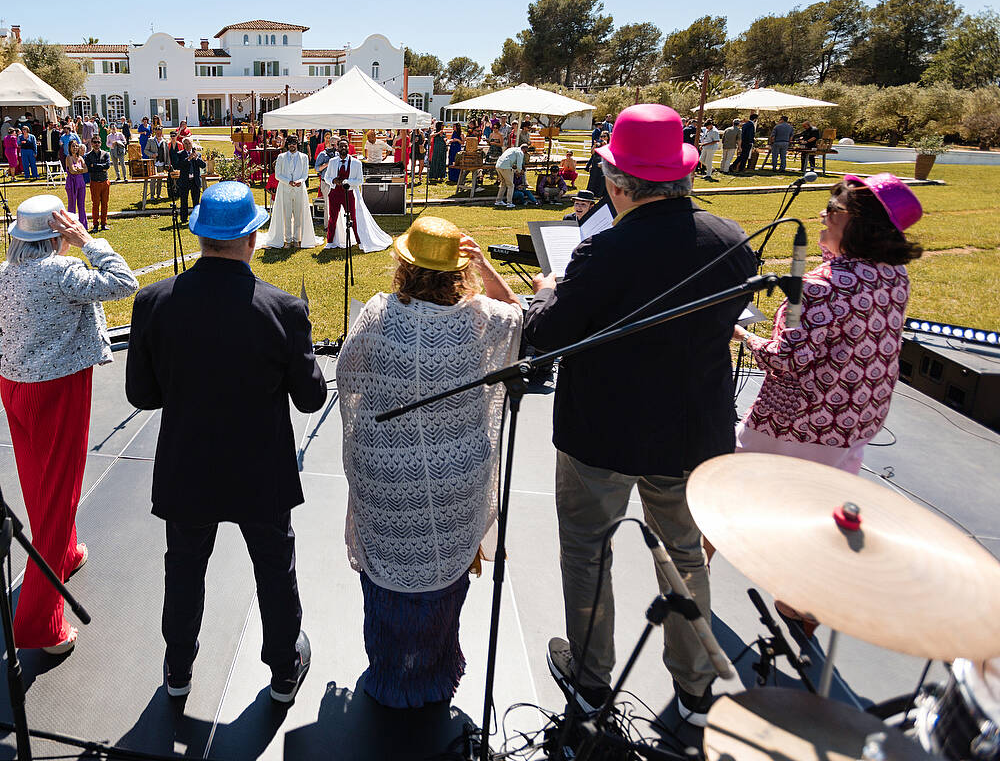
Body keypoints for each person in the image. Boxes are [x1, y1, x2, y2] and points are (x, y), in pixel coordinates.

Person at [524, 105, 755, 729]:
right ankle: (697, 689)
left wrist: (547, 293)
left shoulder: (604, 250)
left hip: (604, 434)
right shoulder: (732, 241)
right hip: (692, 435)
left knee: (588, 550)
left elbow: (548, 334)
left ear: (617, 185)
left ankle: (590, 680)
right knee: (685, 556)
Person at [126, 182, 325, 703]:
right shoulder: (283, 309)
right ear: (252, 238)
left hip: (188, 465)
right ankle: (284, 668)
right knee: (274, 568)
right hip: (260, 470)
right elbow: (310, 399)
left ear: (199, 236)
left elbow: (141, 395)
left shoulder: (153, 302)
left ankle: (178, 669)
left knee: (184, 566)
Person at [338, 217, 522, 707]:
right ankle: (435, 672)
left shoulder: (377, 314)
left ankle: (389, 674)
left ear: (405, 264)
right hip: (455, 475)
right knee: (442, 580)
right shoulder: (483, 319)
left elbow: (348, 378)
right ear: (459, 269)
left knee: (388, 580)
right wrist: (485, 265)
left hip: (386, 473)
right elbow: (517, 312)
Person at [0, 195, 137, 653]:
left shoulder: (7, 271)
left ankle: (67, 552)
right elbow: (124, 282)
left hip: (15, 383)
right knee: (60, 494)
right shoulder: (63, 271)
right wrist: (89, 242)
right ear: (59, 233)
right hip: (58, 389)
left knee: (40, 485)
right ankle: (41, 625)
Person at [735, 174, 923, 473]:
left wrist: (743, 335)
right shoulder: (894, 273)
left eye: (834, 209)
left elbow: (786, 358)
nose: (823, 214)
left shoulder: (819, 286)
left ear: (861, 223)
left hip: (800, 423)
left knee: (743, 485)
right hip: (861, 415)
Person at [264, 137, 317, 248]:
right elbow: (277, 175)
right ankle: (287, 239)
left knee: (298, 215)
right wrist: (288, 182)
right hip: (285, 189)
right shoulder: (281, 157)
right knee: (286, 215)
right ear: (287, 144)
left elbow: (305, 174)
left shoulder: (304, 157)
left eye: (294, 143)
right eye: (290, 143)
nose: (292, 145)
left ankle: (297, 239)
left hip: (299, 189)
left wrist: (300, 181)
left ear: (297, 144)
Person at [170, 137, 206, 221]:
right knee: (184, 201)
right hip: (185, 180)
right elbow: (177, 165)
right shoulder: (180, 154)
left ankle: (196, 218)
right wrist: (188, 159)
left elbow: (203, 165)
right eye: (186, 143)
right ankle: (183, 218)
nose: (188, 145)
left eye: (189, 143)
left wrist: (196, 158)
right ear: (183, 145)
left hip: (195, 181)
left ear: (192, 144)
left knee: (196, 201)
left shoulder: (197, 154)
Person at [84, 135, 112, 231]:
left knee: (105, 204)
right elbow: (89, 168)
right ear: (91, 144)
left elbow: (107, 166)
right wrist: (100, 167)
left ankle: (104, 224)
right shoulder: (88, 156)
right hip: (95, 182)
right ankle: (95, 225)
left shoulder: (106, 154)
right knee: (95, 204)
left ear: (101, 143)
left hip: (105, 181)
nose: (96, 144)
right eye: (95, 142)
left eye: (98, 142)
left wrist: (94, 165)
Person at [63, 139, 88, 228]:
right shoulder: (68, 157)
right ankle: (72, 225)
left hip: (81, 182)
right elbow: (72, 171)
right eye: (73, 146)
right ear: (69, 148)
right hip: (72, 183)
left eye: (76, 146)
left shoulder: (80, 158)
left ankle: (83, 225)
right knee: (72, 205)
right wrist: (81, 170)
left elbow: (86, 170)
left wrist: (79, 170)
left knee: (81, 205)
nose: (75, 148)